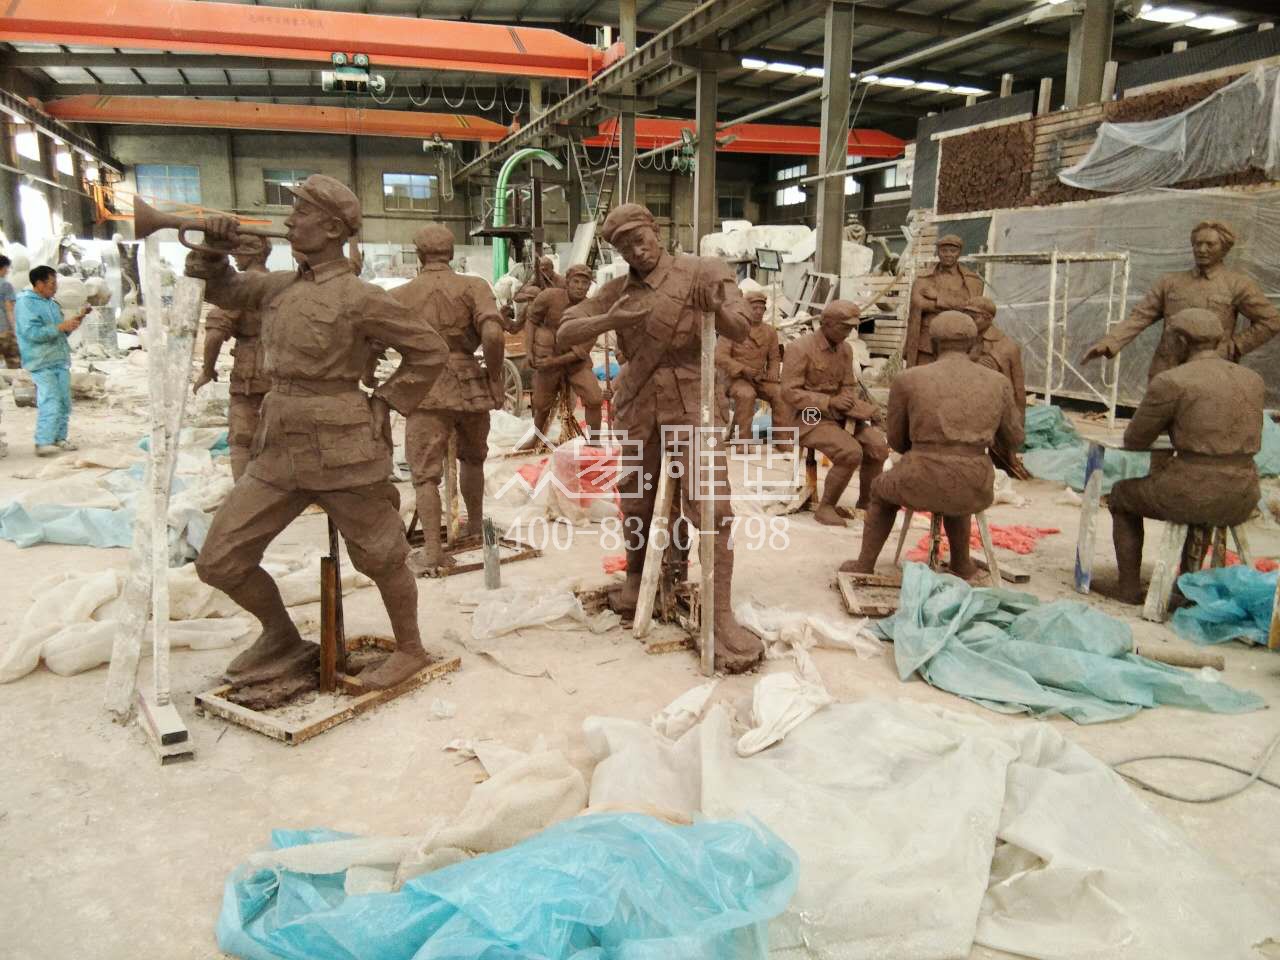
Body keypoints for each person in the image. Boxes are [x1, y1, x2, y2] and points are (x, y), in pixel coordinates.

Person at [183, 174, 449, 690]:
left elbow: (429, 350)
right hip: (278, 444)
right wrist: (213, 249)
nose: (288, 222)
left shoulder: (360, 296)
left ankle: (411, 648)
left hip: (343, 444)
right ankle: (281, 636)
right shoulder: (278, 286)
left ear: (330, 228)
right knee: (219, 559)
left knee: (380, 555)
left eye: (300, 212)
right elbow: (220, 288)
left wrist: (387, 400)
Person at [557, 202, 764, 673]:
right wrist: (610, 320)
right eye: (624, 246)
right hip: (638, 406)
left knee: (711, 508)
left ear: (656, 230)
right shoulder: (617, 291)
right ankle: (638, 578)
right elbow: (566, 330)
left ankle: (720, 614)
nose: (636, 250)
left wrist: (717, 303)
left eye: (640, 237)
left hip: (693, 403)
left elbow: (740, 327)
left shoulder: (701, 271)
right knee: (637, 501)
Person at [845, 311, 1023, 577]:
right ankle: (961, 563)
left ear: (933, 344)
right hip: (975, 483)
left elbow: (897, 441)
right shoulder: (999, 383)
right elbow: (1015, 439)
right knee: (958, 484)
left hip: (922, 476)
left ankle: (865, 564)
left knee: (881, 491)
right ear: (973, 343)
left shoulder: (908, 379)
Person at [1107, 308, 1264, 605]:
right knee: (1202, 494)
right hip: (1244, 494)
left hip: (1193, 492)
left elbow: (1136, 439)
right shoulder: (1252, 379)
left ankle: (1128, 588)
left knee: (1120, 495)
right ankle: (1186, 583)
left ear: (1179, 341)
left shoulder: (1172, 381)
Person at [393, 223, 506, 573]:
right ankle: (474, 526)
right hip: (468, 381)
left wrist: (369, 374)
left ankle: (433, 550)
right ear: (452, 253)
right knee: (473, 460)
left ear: (418, 255)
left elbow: (370, 338)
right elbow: (493, 334)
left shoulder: (400, 294)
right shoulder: (474, 286)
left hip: (424, 385)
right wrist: (495, 377)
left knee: (425, 474)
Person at [1082, 220, 1280, 378]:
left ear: (1224, 248)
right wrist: (1110, 342)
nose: (1202, 249)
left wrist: (1233, 347)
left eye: (1210, 244)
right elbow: (1140, 316)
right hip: (1167, 367)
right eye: (1197, 244)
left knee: (1203, 416)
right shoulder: (1170, 282)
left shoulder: (1238, 284)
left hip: (1212, 370)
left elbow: (1271, 321)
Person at [781, 300, 889, 526]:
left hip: (840, 414)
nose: (849, 332)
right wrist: (829, 401)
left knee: (878, 446)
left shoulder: (846, 349)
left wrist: (847, 400)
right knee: (850, 452)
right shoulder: (800, 348)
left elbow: (848, 384)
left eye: (852, 327)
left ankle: (866, 503)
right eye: (845, 327)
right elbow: (789, 392)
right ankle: (826, 507)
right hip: (807, 416)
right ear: (826, 323)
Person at [192, 234, 273, 480]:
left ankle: (244, 493)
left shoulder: (243, 288)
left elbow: (215, 334)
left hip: (250, 376)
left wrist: (208, 370)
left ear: (255, 252)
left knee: (242, 439)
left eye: (241, 250)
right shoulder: (280, 284)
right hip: (282, 374)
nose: (235, 256)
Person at [518, 263, 602, 450]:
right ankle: (537, 438)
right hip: (548, 356)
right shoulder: (549, 297)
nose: (580, 286)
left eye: (585, 283)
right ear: (567, 282)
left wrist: (554, 361)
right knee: (541, 404)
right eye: (576, 281)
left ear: (590, 286)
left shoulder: (592, 309)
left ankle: (594, 442)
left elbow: (581, 351)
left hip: (575, 361)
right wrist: (529, 351)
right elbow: (532, 320)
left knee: (595, 398)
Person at [16, 265, 88, 457]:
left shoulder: (52, 304)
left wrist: (74, 322)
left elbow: (60, 332)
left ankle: (59, 437)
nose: (55, 288)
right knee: (50, 399)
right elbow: (31, 333)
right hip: (40, 360)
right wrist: (60, 327)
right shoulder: (26, 303)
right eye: (52, 284)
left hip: (59, 359)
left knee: (64, 401)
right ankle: (43, 441)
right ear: (39, 284)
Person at [717, 289, 791, 449]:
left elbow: (774, 357)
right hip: (735, 379)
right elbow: (720, 357)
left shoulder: (770, 331)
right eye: (754, 308)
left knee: (780, 393)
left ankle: (782, 440)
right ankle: (743, 441)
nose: (758, 312)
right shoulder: (732, 328)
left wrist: (773, 372)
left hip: (759, 378)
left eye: (761, 308)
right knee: (746, 395)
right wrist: (743, 369)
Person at [965, 295, 1028, 478]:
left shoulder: (1007, 347)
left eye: (974, 316)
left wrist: (1013, 441)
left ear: (988, 318)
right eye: (967, 316)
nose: (969, 321)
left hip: (992, 407)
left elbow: (1018, 393)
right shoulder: (963, 339)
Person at [903, 234, 984, 367]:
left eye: (953, 251)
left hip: (959, 342)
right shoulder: (924, 279)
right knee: (923, 377)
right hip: (927, 344)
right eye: (944, 251)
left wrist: (938, 297)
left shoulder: (972, 281)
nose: (948, 254)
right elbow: (919, 304)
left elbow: (971, 307)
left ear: (959, 252)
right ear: (938, 252)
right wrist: (958, 303)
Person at [0, 254, 21, 369]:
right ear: (3, 268)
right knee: (14, 362)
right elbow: (9, 309)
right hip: (4, 330)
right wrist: (14, 328)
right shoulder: (5, 285)